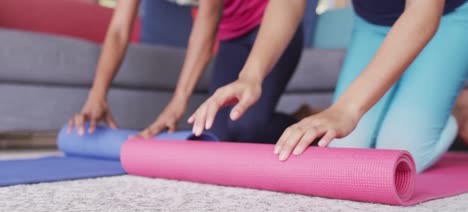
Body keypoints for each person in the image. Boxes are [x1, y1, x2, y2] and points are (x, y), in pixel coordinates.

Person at [189, 0, 468, 172]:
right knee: (349, 153)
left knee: (404, 153)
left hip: (446, 17)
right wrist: (251, 75)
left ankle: (457, 109)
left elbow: (423, 12)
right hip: (372, 26)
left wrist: (346, 108)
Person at [69, 0, 303, 144]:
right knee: (218, 137)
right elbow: (119, 31)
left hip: (274, 27)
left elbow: (207, 20)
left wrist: (178, 102)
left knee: (247, 129)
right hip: (232, 37)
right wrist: (96, 95)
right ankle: (300, 116)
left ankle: (303, 122)